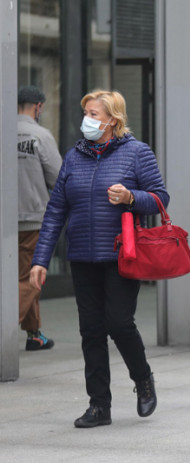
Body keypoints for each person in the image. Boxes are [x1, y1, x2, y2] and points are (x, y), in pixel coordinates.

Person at [30, 90, 168, 428]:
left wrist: (131, 196)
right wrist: (41, 259)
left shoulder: (137, 153)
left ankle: (143, 378)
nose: (87, 120)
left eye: (94, 114)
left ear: (112, 120)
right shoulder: (73, 157)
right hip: (82, 256)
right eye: (86, 113)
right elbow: (55, 211)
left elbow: (160, 198)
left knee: (119, 322)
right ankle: (98, 406)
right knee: (91, 330)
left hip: (122, 254)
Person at [17, 85, 62, 351]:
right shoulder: (41, 135)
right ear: (39, 107)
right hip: (33, 219)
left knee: (23, 276)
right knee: (30, 278)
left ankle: (34, 334)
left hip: (5, 220)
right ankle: (6, 323)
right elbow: (58, 178)